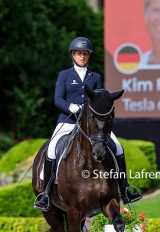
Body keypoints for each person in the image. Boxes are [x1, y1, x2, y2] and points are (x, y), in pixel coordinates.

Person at [34, 37, 142, 211]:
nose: (82, 57)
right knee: (53, 148)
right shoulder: (65, 75)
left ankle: (125, 188)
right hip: (68, 121)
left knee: (118, 147)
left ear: (89, 56)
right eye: (79, 54)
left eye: (85, 54)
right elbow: (57, 99)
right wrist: (71, 107)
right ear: (73, 55)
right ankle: (46, 194)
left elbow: (99, 99)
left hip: (92, 125)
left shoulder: (96, 77)